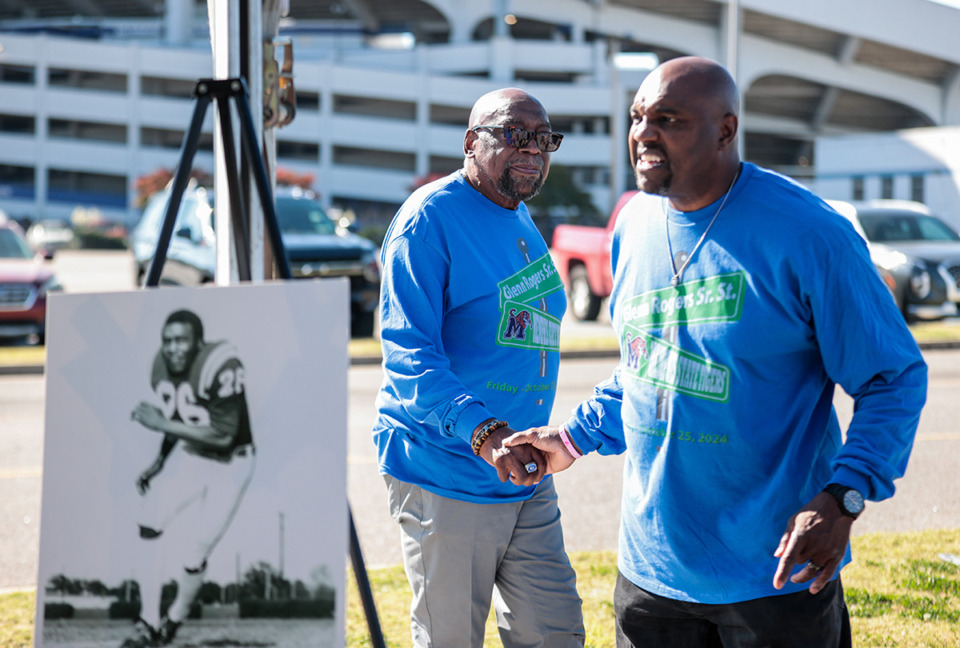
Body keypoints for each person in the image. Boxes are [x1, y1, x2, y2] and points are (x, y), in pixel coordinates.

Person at [505, 57, 927, 647]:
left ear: (726, 130)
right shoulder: (633, 223)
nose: (644, 134)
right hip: (651, 581)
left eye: (669, 119)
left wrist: (844, 497)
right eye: (638, 117)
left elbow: (894, 377)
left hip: (776, 578)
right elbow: (646, 364)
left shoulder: (809, 234)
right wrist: (571, 439)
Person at [373, 88, 584, 647]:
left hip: (523, 472)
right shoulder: (431, 219)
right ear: (471, 142)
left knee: (555, 632)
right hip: (449, 471)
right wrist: (486, 433)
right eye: (515, 134)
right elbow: (407, 353)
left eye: (544, 139)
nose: (533, 149)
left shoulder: (516, 216)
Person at [122, 309, 255, 648]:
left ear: (198, 342)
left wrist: (162, 425)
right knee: (148, 522)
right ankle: (148, 622)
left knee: (195, 550)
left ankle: (176, 617)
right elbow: (179, 416)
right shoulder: (161, 367)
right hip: (193, 454)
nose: (173, 348)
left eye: (181, 340)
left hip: (232, 462)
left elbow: (224, 435)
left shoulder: (221, 364)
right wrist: (158, 463)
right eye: (167, 341)